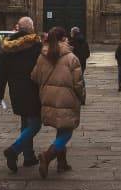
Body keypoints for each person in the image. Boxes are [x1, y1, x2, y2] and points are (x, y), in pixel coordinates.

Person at [31, 27, 85, 178]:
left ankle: (62, 163)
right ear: (63, 39)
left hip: (48, 98)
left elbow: (34, 76)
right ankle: (47, 156)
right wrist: (82, 97)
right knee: (66, 132)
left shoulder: (42, 55)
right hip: (66, 99)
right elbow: (78, 83)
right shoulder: (71, 58)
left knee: (62, 128)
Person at [0, 16, 43, 173]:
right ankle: (14, 150)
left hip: (16, 91)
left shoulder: (8, 46)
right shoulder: (36, 45)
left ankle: (29, 157)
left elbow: (2, 73)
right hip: (33, 90)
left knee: (25, 123)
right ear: (30, 29)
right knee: (35, 124)